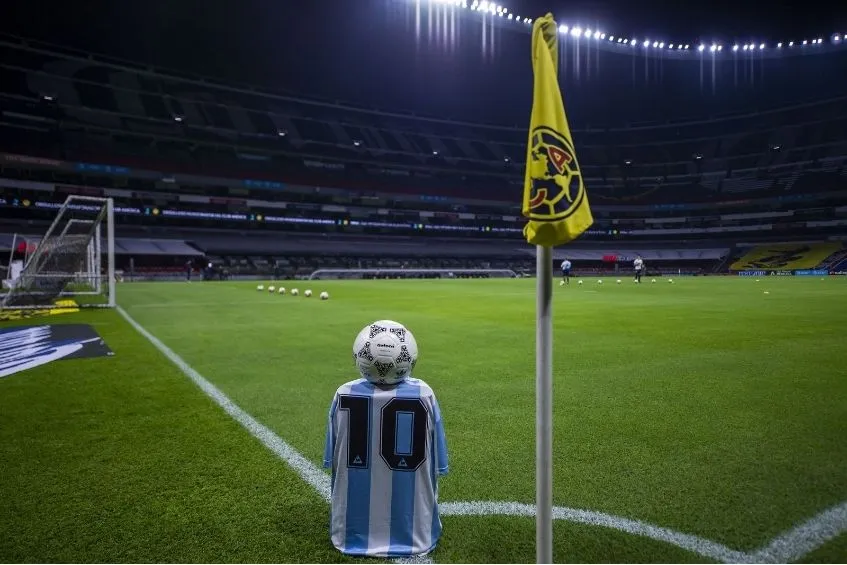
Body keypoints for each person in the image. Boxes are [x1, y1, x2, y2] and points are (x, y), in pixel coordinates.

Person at [324, 321, 448, 558]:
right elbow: (439, 461)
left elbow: (333, 456)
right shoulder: (424, 393)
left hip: (350, 538)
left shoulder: (344, 393)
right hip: (416, 536)